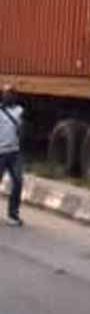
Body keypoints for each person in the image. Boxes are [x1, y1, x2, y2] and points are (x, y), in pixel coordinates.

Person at [0, 85, 23, 227]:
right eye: (6, 93)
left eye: (12, 94)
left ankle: (13, 215)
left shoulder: (20, 110)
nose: (9, 96)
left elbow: (21, 129)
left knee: (18, 182)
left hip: (15, 152)